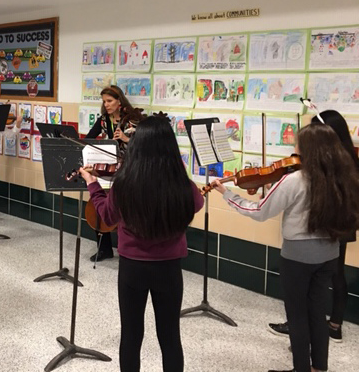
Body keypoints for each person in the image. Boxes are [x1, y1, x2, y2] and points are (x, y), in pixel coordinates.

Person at [212, 123, 359, 372]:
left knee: (297, 316)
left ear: (308, 149)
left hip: (298, 258)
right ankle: (319, 368)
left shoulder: (294, 180)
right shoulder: (343, 178)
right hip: (329, 255)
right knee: (317, 312)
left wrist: (228, 194)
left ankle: (301, 368)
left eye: (297, 144)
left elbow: (259, 211)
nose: (294, 149)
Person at [79, 116, 203, 372]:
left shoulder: (124, 184)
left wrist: (93, 185)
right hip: (169, 268)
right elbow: (197, 203)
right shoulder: (182, 186)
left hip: (132, 268)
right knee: (170, 336)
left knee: (132, 335)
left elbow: (107, 217)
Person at [268, 110, 359, 343]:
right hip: (340, 220)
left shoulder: (336, 160)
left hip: (327, 219)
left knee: (318, 279)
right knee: (334, 272)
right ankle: (331, 325)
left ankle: (310, 325)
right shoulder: (346, 156)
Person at [86, 85, 143, 262]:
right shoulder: (104, 119)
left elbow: (144, 145)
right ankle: (104, 249)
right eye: (104, 101)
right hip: (106, 168)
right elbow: (89, 137)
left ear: (119, 101)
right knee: (99, 205)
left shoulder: (132, 119)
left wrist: (126, 139)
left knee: (126, 210)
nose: (106, 105)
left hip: (128, 170)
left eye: (109, 101)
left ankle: (130, 248)